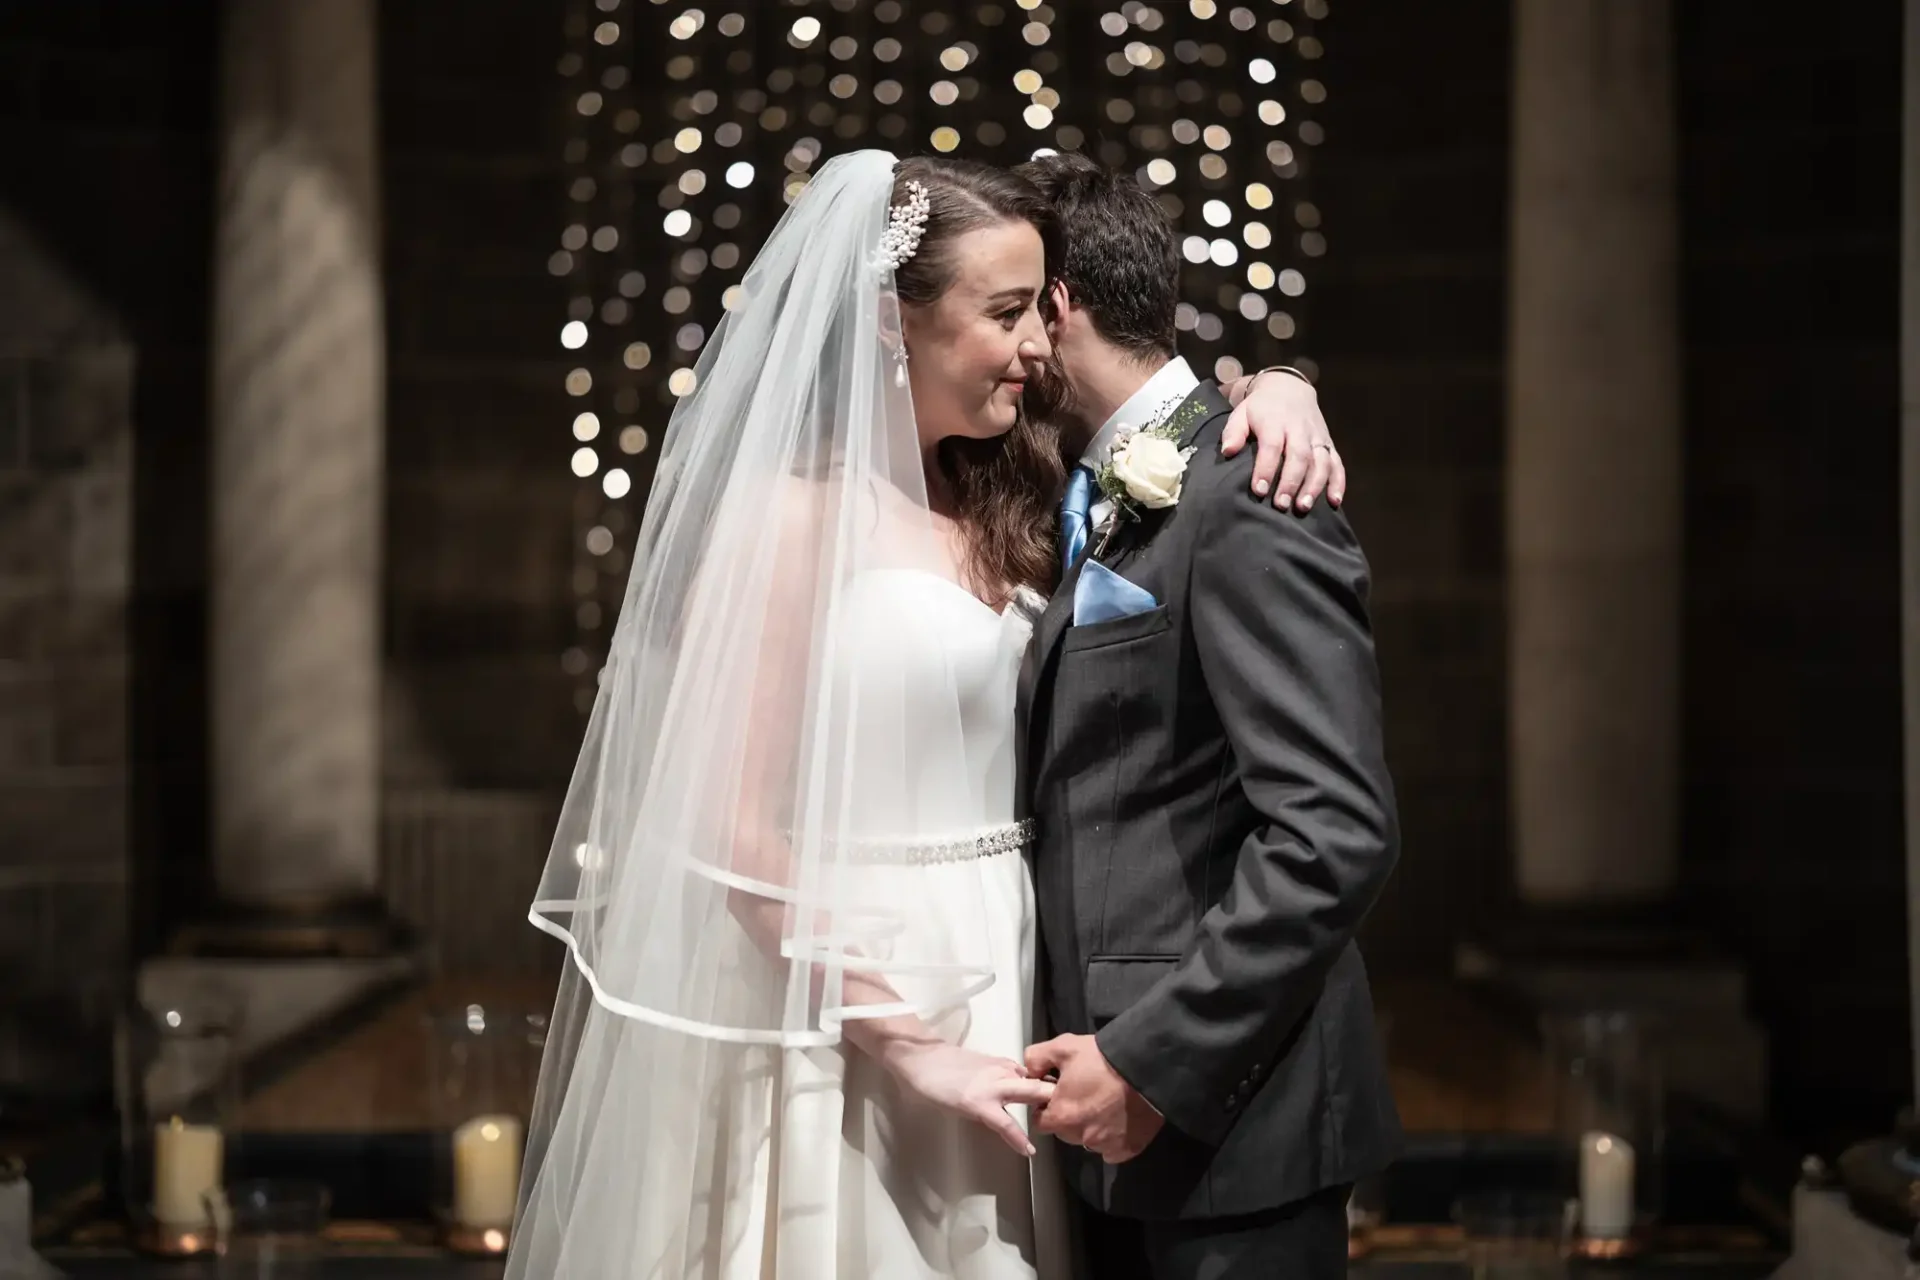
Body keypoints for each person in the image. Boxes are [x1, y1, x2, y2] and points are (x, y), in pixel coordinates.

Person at [506, 150, 1348, 1280]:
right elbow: (730, 832)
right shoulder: (790, 517)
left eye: (1038, 312)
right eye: (1004, 312)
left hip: (1019, 975)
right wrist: (908, 1045)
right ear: (894, 324)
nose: (1038, 344)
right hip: (869, 995)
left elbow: (1174, 431)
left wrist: (1278, 382)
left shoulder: (1021, 494)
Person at [1014, 150, 1402, 1280]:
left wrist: (1153, 1061)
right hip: (1093, 1110)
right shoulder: (1065, 485)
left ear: (1058, 306)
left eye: (1007, 308)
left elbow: (1336, 830)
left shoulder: (1248, 486)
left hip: (1228, 1121)